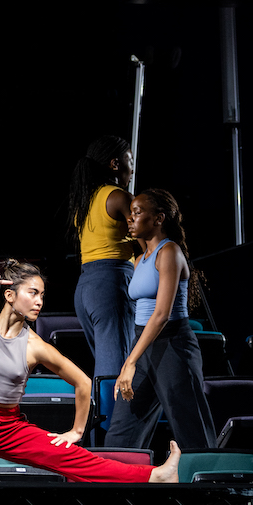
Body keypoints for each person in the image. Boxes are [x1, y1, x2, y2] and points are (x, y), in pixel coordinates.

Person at [0, 260, 182, 483]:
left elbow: (82, 382)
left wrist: (76, 432)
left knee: (76, 461)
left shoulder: (36, 347)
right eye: (33, 293)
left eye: (42, 295)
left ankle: (154, 475)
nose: (39, 302)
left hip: (7, 427)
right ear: (10, 296)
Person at [104, 189, 216, 450]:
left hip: (173, 345)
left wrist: (129, 362)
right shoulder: (139, 259)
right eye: (130, 213)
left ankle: (207, 487)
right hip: (143, 344)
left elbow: (162, 314)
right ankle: (118, 487)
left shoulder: (170, 252)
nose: (130, 219)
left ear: (159, 218)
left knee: (191, 431)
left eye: (137, 212)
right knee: (121, 434)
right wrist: (132, 359)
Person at [67, 135, 137, 380]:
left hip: (86, 287)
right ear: (115, 164)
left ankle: (108, 417)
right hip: (112, 284)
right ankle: (113, 420)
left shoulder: (85, 202)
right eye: (130, 161)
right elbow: (147, 241)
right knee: (118, 370)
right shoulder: (119, 197)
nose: (133, 168)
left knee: (108, 366)